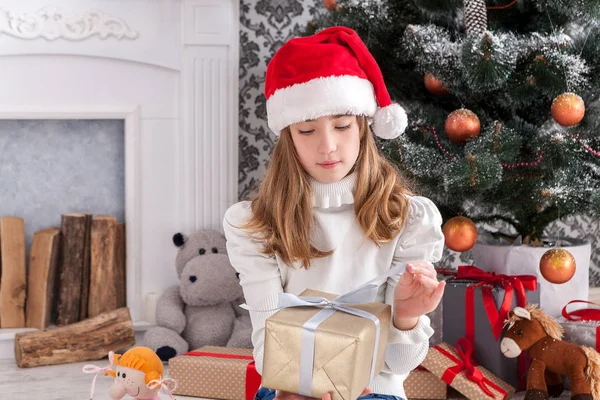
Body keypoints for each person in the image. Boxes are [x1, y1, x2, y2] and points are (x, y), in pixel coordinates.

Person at [223, 26, 445, 400]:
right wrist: (298, 386)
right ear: (288, 137)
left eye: (342, 126)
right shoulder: (254, 224)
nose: (327, 146)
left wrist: (406, 316)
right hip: (290, 388)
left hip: (374, 392)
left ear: (362, 126)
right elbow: (266, 346)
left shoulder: (406, 219)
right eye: (307, 130)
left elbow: (399, 365)